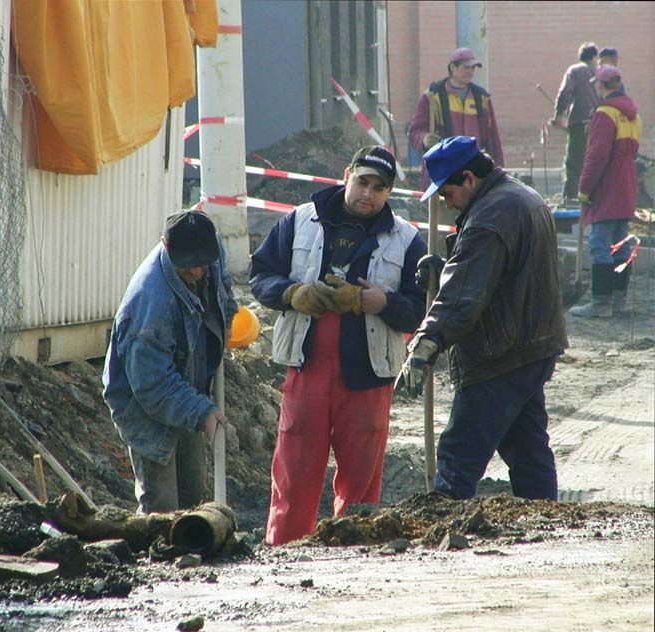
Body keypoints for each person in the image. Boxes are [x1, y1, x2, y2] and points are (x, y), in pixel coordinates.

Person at [250, 146, 427, 545]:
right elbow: (260, 275)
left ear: (389, 192)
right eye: (363, 182)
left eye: (379, 188)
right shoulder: (300, 221)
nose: (368, 194)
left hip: (368, 375)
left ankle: (353, 551)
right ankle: (285, 550)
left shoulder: (406, 239)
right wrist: (292, 293)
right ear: (347, 175)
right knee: (295, 470)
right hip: (307, 365)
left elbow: (421, 309)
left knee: (361, 481)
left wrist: (381, 303)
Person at [397, 136, 568, 501]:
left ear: (469, 179)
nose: (447, 203)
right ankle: (548, 522)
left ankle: (443, 523)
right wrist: (446, 269)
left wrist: (425, 343)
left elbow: (463, 298)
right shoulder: (520, 197)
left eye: (448, 193)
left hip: (497, 355)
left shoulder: (488, 218)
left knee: (458, 455)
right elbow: (499, 274)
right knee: (527, 450)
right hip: (531, 346)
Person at [102, 210, 238, 513]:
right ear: (165, 246)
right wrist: (201, 410)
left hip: (187, 382)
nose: (198, 271)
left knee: (193, 499)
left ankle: (195, 540)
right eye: (188, 266)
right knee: (162, 508)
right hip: (145, 406)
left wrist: (227, 317)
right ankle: (156, 544)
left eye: (203, 263)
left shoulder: (209, 249)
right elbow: (153, 387)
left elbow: (223, 286)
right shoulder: (150, 305)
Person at [570, 66, 641, 318]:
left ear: (601, 85)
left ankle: (601, 303)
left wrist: (584, 188)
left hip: (607, 186)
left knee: (600, 244)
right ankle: (619, 300)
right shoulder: (632, 114)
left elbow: (596, 156)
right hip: (627, 185)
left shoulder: (604, 113)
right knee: (621, 244)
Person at [408, 47, 504, 191]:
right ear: (453, 67)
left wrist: (499, 174)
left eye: (473, 68)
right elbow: (415, 132)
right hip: (441, 173)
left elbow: (493, 141)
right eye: (466, 67)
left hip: (473, 175)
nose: (470, 72)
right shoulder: (432, 97)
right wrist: (425, 139)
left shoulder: (482, 99)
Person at [551, 42, 599, 203]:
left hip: (580, 124)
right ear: (594, 57)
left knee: (574, 163)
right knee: (595, 161)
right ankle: (593, 197)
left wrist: (559, 115)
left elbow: (565, 92)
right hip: (600, 125)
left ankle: (571, 199)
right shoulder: (601, 73)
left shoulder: (575, 70)